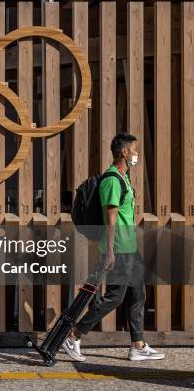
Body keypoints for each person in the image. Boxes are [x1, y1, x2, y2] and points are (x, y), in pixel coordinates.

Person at [62, 133, 165, 362]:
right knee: (115, 297)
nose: (137, 155)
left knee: (138, 292)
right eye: (135, 150)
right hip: (118, 247)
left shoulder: (124, 177)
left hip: (130, 246)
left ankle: (137, 345)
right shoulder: (111, 179)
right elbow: (110, 219)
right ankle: (74, 335)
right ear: (124, 152)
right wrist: (109, 251)